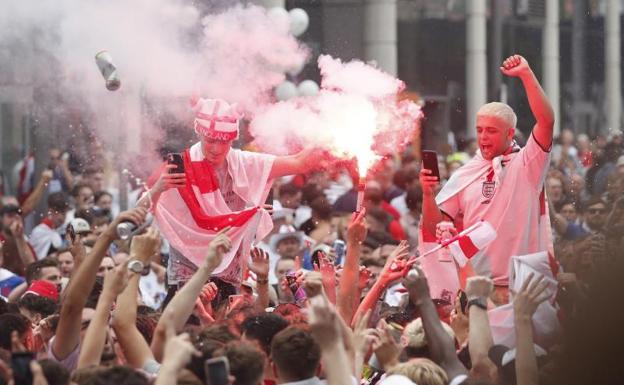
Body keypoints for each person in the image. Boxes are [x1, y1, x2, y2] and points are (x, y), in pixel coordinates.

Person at [137, 98, 325, 300]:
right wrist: (158, 189)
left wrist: (327, 137)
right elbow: (139, 215)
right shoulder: (179, 166)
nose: (216, 148)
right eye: (211, 140)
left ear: (232, 139)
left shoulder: (244, 162)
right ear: (199, 133)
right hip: (187, 273)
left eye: (224, 141)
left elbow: (299, 163)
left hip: (228, 274)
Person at [420, 54, 555, 301]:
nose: (483, 137)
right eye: (480, 130)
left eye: (491, 131)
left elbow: (546, 121)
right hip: (475, 289)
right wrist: (428, 194)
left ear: (510, 133)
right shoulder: (465, 173)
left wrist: (526, 74)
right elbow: (434, 227)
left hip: (521, 289)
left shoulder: (528, 163)